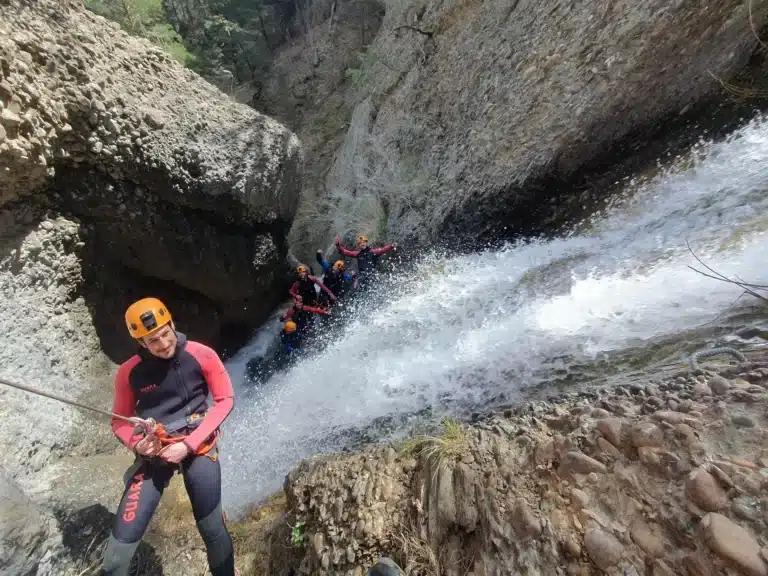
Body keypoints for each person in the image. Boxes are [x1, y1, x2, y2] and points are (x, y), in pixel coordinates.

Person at [103, 298, 236, 576]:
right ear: (141, 343)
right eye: (153, 340)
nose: (163, 344)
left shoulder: (202, 354)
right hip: (155, 451)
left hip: (198, 445)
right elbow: (119, 420)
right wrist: (138, 444)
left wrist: (188, 445)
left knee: (212, 529)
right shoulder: (129, 373)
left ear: (172, 323)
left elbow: (224, 400)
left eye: (165, 333)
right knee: (119, 551)